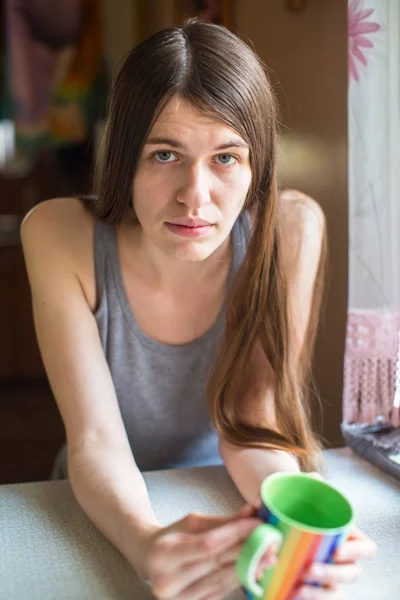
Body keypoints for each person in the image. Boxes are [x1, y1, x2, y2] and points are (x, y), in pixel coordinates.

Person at [21, 18, 376, 600]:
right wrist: (145, 544)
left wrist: (293, 524)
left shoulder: (290, 229)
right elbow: (96, 442)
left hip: (229, 491)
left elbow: (252, 425)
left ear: (258, 163)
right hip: (100, 500)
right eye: (164, 154)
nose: (196, 195)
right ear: (122, 156)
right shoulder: (60, 235)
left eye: (227, 158)